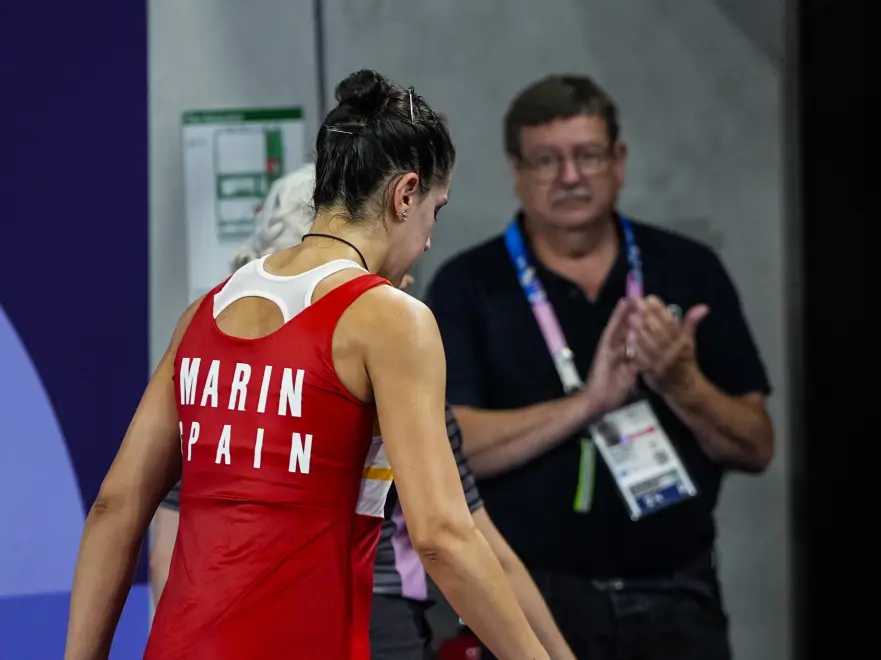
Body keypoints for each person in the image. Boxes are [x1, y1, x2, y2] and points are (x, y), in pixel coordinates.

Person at [65, 69, 548, 660]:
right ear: (405, 194)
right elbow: (444, 537)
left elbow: (115, 508)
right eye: (434, 212)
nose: (426, 242)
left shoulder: (203, 312)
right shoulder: (392, 320)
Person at [149, 162, 575, 659]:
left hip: (217, 623)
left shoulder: (213, 355)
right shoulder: (391, 341)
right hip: (365, 620)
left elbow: (148, 539)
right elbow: (455, 538)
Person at [426, 74, 775, 660]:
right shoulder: (469, 285)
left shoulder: (688, 270)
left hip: (677, 595)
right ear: (516, 170)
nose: (569, 176)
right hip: (531, 600)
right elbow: (447, 450)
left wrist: (683, 385)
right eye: (546, 160)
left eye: (587, 155)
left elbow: (757, 446)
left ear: (619, 160)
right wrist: (588, 404)